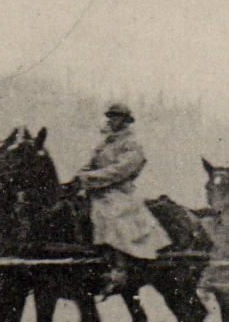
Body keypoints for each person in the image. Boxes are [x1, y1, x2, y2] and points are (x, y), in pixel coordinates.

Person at [67, 103, 168, 295]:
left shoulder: (132, 144)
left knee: (109, 215)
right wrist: (78, 177)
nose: (112, 120)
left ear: (125, 120)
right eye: (111, 117)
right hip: (97, 191)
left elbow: (121, 170)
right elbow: (91, 165)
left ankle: (118, 268)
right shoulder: (105, 143)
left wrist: (90, 179)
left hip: (119, 192)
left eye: (116, 117)